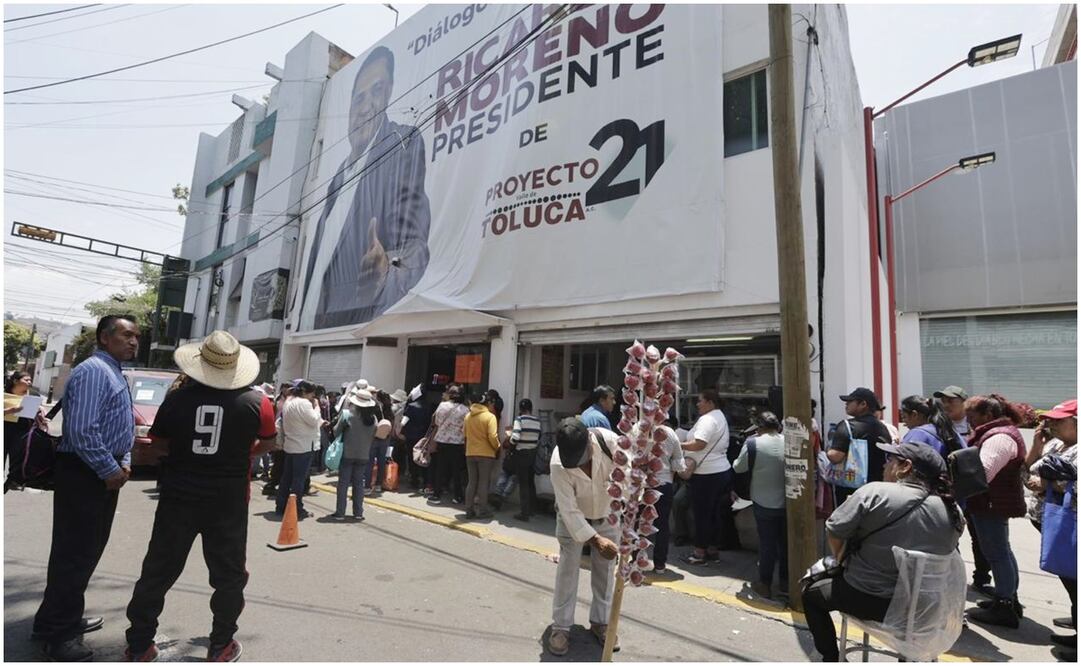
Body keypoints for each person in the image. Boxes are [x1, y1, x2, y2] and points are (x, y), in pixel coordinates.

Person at [123, 331, 275, 662]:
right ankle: (221, 644)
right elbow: (267, 443)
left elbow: (158, 443)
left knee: (158, 570)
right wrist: (240, 452)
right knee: (229, 575)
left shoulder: (176, 399)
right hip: (228, 499)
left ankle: (139, 645)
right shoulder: (258, 403)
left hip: (178, 494)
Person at [298, 45, 432, 330]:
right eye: (359, 98)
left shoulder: (402, 142)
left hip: (357, 325)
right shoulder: (337, 177)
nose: (367, 106)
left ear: (389, 94)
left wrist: (388, 270)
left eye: (377, 92)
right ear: (348, 109)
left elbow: (415, 246)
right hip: (312, 326)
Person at [31, 315, 139, 661]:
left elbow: (117, 426)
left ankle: (59, 618)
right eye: (126, 335)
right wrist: (110, 469)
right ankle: (58, 636)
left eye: (136, 336)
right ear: (105, 338)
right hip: (85, 474)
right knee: (73, 556)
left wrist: (124, 462)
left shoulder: (113, 370)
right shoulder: (94, 370)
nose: (134, 341)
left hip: (101, 473)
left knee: (84, 553)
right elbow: (82, 431)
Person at [802, 441, 965, 662]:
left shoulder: (875, 492)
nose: (885, 465)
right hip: (923, 609)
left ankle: (831, 658)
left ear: (906, 466)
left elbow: (835, 531)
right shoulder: (954, 511)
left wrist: (841, 560)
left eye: (891, 460)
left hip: (868, 599)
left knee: (811, 594)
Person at [545, 418, 621, 657]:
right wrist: (595, 540)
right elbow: (568, 510)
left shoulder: (610, 442)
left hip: (608, 516)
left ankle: (601, 622)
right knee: (568, 571)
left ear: (589, 439)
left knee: (605, 573)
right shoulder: (558, 463)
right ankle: (561, 627)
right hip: (572, 523)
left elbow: (629, 477)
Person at [963, 394, 1027, 629]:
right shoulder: (1000, 433)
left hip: (990, 504)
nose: (969, 421)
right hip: (993, 502)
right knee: (1002, 552)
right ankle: (1009, 598)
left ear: (987, 415)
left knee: (997, 554)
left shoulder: (998, 437)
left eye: (972, 416)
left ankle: (1004, 606)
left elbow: (982, 474)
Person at [1022, 399, 1077, 652]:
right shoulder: (1055, 444)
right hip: (1049, 520)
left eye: (1058, 420)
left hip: (1070, 524)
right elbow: (1027, 468)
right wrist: (1036, 445)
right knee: (1067, 576)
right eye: (1050, 420)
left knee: (1075, 578)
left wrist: (1046, 486)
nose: (1051, 425)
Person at [733, 411, 787, 599]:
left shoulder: (752, 443)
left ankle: (765, 583)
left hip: (763, 502)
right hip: (787, 503)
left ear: (759, 427)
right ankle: (785, 583)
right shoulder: (788, 441)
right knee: (785, 544)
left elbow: (738, 467)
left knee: (767, 544)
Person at [680, 389, 734, 565]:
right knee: (714, 514)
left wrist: (677, 444)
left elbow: (699, 444)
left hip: (707, 475)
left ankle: (699, 552)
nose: (697, 403)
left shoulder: (708, 419)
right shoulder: (719, 417)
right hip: (721, 471)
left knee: (702, 514)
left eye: (700, 400)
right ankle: (712, 549)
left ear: (710, 402)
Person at [826, 387, 893, 503]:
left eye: (850, 401)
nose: (846, 404)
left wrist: (827, 449)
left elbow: (835, 456)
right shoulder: (884, 429)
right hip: (877, 488)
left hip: (851, 491)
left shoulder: (847, 426)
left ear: (863, 404)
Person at [276, 381, 326, 519]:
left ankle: (280, 506)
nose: (313, 397)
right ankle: (297, 509)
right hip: (303, 446)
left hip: (291, 445)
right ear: (305, 392)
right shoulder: (304, 404)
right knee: (298, 480)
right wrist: (316, 407)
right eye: (312, 394)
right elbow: (314, 419)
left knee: (286, 478)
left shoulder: (289, 401)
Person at [332, 387, 379, 521]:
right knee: (359, 484)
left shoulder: (347, 415)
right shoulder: (373, 418)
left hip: (347, 453)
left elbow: (336, 432)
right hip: (364, 454)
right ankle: (358, 512)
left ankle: (340, 512)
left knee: (343, 484)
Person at [646, 418, 686, 574]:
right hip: (664, 484)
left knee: (637, 524)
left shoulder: (638, 429)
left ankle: (636, 560)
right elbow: (678, 464)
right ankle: (660, 565)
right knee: (662, 525)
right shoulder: (671, 433)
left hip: (641, 484)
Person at [429, 385, 469, 505]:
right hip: (457, 443)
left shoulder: (442, 406)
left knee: (440, 468)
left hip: (442, 441)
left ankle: (436, 494)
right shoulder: (465, 410)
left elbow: (436, 422)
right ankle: (458, 496)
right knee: (456, 471)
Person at [463, 392, 501, 518]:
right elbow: (492, 436)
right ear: (486, 403)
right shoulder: (490, 417)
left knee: (472, 481)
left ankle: (469, 509)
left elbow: (465, 435)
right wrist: (497, 447)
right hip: (486, 453)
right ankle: (483, 510)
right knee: (483, 482)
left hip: (470, 452)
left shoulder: (468, 416)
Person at [506, 399, 542, 521]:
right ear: (531, 408)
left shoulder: (519, 419)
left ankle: (524, 513)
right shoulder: (537, 421)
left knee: (523, 483)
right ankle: (533, 509)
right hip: (532, 453)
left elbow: (515, 436)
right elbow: (539, 437)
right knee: (531, 482)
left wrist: (511, 444)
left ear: (520, 409)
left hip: (521, 453)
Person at [898, 395, 965, 459]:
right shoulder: (950, 431)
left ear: (914, 415)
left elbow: (902, 462)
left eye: (904, 417)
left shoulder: (917, 434)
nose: (904, 423)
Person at [399, 384, 432, 490]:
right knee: (423, 457)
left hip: (411, 435)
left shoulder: (411, 406)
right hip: (424, 435)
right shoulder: (429, 405)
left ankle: (415, 480)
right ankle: (426, 480)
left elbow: (404, 421)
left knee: (412, 458)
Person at [367, 389, 394, 494]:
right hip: (385, 438)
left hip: (374, 437)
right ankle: (378, 485)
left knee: (369, 462)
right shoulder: (389, 409)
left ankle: (367, 485)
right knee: (381, 462)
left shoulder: (375, 408)